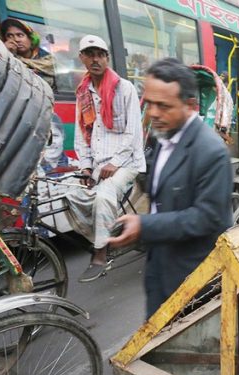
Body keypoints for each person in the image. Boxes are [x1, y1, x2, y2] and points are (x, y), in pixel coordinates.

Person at [108, 58, 233, 318]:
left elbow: (208, 217)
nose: (153, 113)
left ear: (190, 106)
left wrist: (145, 226)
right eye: (149, 103)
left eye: (163, 106)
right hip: (159, 273)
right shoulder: (160, 134)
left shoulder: (211, 151)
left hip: (192, 285)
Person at [65, 35, 145, 282]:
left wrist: (115, 163)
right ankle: (102, 233)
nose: (95, 59)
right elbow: (82, 133)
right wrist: (87, 168)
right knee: (68, 191)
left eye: (100, 54)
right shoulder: (83, 92)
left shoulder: (125, 88)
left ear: (107, 57)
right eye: (90, 54)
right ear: (82, 58)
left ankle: (100, 252)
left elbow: (133, 132)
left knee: (103, 195)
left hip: (127, 161)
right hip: (99, 163)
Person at [0, 18, 56, 91]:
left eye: (20, 35)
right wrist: (6, 54)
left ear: (31, 38)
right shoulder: (5, 59)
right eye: (10, 36)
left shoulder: (48, 60)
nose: (16, 39)